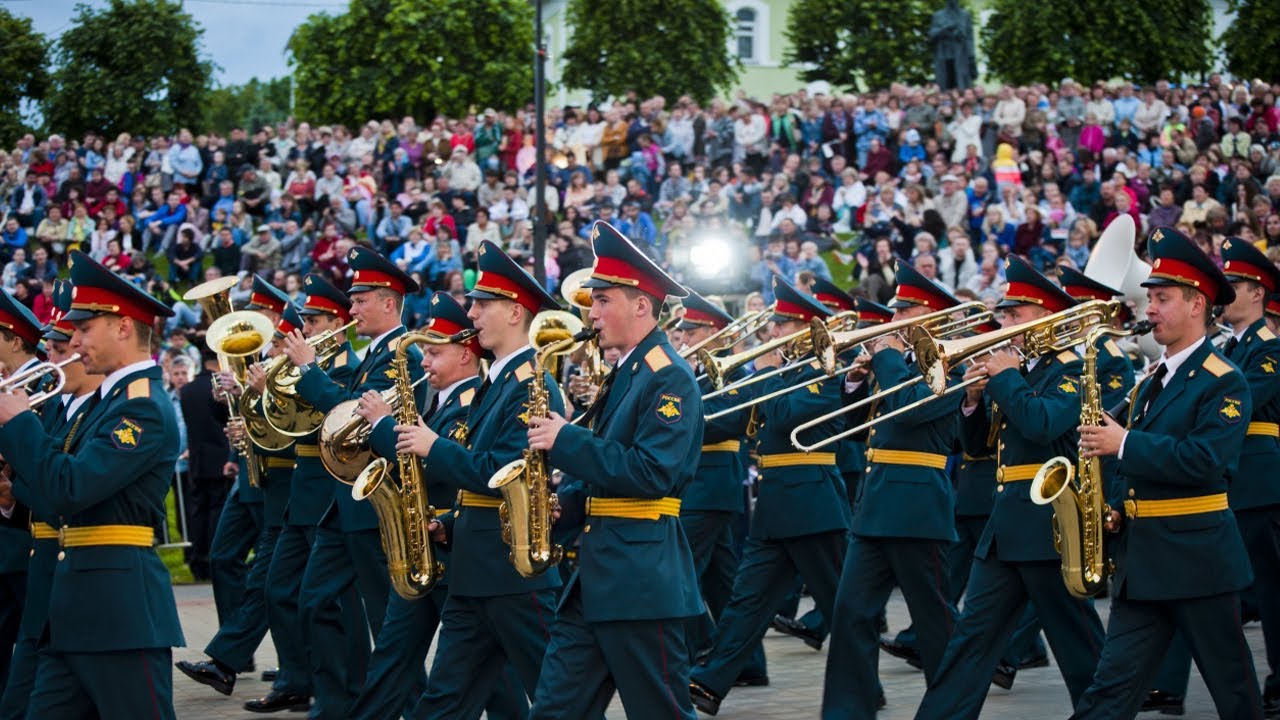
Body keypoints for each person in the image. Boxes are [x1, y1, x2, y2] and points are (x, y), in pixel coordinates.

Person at [1072, 226, 1263, 719]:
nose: (1147, 307)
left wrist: (1125, 443)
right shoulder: (1150, 382)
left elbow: (1204, 461)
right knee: (1109, 691)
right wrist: (1112, 506)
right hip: (1145, 563)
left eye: (1161, 297)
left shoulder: (1226, 381)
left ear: (1197, 304)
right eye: (1149, 296)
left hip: (1199, 562)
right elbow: (1123, 455)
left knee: (1235, 692)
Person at [522, 221, 702, 718]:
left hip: (640, 580)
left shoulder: (669, 377)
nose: (591, 312)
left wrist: (566, 440)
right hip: (598, 575)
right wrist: (565, 507)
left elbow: (651, 474)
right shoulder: (628, 369)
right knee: (554, 710)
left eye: (603, 301)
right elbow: (608, 466)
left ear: (640, 304)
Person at [916, 256, 1106, 720]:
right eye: (1004, 313)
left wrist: (1003, 378)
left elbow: (1041, 425)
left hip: (1050, 528)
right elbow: (978, 447)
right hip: (1006, 529)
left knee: (1080, 645)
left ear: (1044, 316)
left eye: (1015, 314)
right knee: (971, 640)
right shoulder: (1015, 371)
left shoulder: (1070, 369)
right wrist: (973, 401)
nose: (1004, 323)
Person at [0, 249, 184, 718]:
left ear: (123, 327)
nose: (75, 341)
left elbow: (71, 488)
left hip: (119, 614)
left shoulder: (139, 407)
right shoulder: (107, 401)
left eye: (84, 329)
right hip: (75, 610)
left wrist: (20, 426)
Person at [389, 239, 562, 718]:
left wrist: (432, 446)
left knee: (555, 697)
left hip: (513, 570)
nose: (473, 313)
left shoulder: (532, 383)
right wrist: (447, 521)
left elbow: (502, 471)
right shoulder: (500, 380)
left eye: (483, 305)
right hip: (476, 566)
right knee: (444, 700)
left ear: (514, 312)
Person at [351, 291, 525, 720]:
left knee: (498, 675)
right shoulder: (464, 396)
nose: (424, 363)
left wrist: (385, 429)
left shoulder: (478, 399)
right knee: (406, 662)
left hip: (468, 551)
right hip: (438, 544)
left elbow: (460, 469)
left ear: (466, 356)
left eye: (433, 353)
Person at [690, 275, 850, 716]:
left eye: (781, 326)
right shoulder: (783, 372)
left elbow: (780, 417)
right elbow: (729, 417)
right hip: (777, 506)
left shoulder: (822, 373)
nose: (771, 334)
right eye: (775, 326)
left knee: (842, 607)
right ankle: (709, 681)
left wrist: (764, 371)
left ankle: (864, 688)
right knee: (747, 599)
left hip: (814, 505)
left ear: (803, 328)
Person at [1138, 236, 1280, 716]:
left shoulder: (1266, 350)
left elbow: (1243, 407)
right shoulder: (1219, 351)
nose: (1228, 290)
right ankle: (1169, 683)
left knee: (1269, 593)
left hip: (1258, 484)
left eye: (1236, 283)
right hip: (1215, 487)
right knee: (1196, 590)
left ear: (1259, 292)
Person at [280, 248, 424, 720]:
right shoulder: (375, 354)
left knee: (391, 623)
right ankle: (337, 705)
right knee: (315, 602)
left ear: (387, 301)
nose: (353, 308)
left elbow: (353, 418)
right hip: (344, 507)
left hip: (374, 505)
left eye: (360, 299)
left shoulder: (405, 355)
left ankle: (413, 707)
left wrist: (307, 370)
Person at [823, 261, 964, 718]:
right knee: (851, 613)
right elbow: (855, 428)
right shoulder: (896, 364)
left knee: (935, 623)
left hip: (919, 506)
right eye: (896, 311)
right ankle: (848, 709)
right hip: (877, 502)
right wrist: (855, 381)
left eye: (905, 312)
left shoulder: (952, 363)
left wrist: (882, 359)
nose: (894, 321)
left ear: (931, 317)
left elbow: (908, 411)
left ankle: (951, 709)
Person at [175, 304, 299, 701]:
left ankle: (233, 657)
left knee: (271, 579)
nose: (260, 324)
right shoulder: (260, 367)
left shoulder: (291, 370)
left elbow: (295, 425)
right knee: (224, 558)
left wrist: (250, 401)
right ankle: (237, 650)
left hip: (279, 480)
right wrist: (233, 407)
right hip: (249, 475)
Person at [252, 274, 360, 714]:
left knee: (330, 601)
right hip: (303, 493)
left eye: (313, 320)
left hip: (330, 490)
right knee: (279, 589)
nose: (304, 327)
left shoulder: (347, 364)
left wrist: (302, 374)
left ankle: (335, 689)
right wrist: (261, 399)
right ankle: (298, 679)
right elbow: (283, 429)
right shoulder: (304, 366)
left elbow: (338, 418)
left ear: (335, 321)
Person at [0, 280, 103, 720]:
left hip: (54, 550)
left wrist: (11, 490)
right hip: (35, 548)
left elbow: (61, 482)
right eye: (58, 346)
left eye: (63, 348)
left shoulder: (55, 399)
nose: (58, 357)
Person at [676, 290, 767, 685]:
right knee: (723, 582)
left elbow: (726, 421)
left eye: (691, 332)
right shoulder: (692, 371)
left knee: (682, 574)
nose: (683, 338)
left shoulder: (729, 369)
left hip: (711, 484)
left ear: (712, 331)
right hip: (704, 485)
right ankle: (746, 663)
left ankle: (705, 651)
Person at [0, 287, 56, 699]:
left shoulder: (45, 383)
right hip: (10, 531)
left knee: (34, 638)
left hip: (28, 528)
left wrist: (9, 493)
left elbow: (42, 454)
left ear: (15, 340)